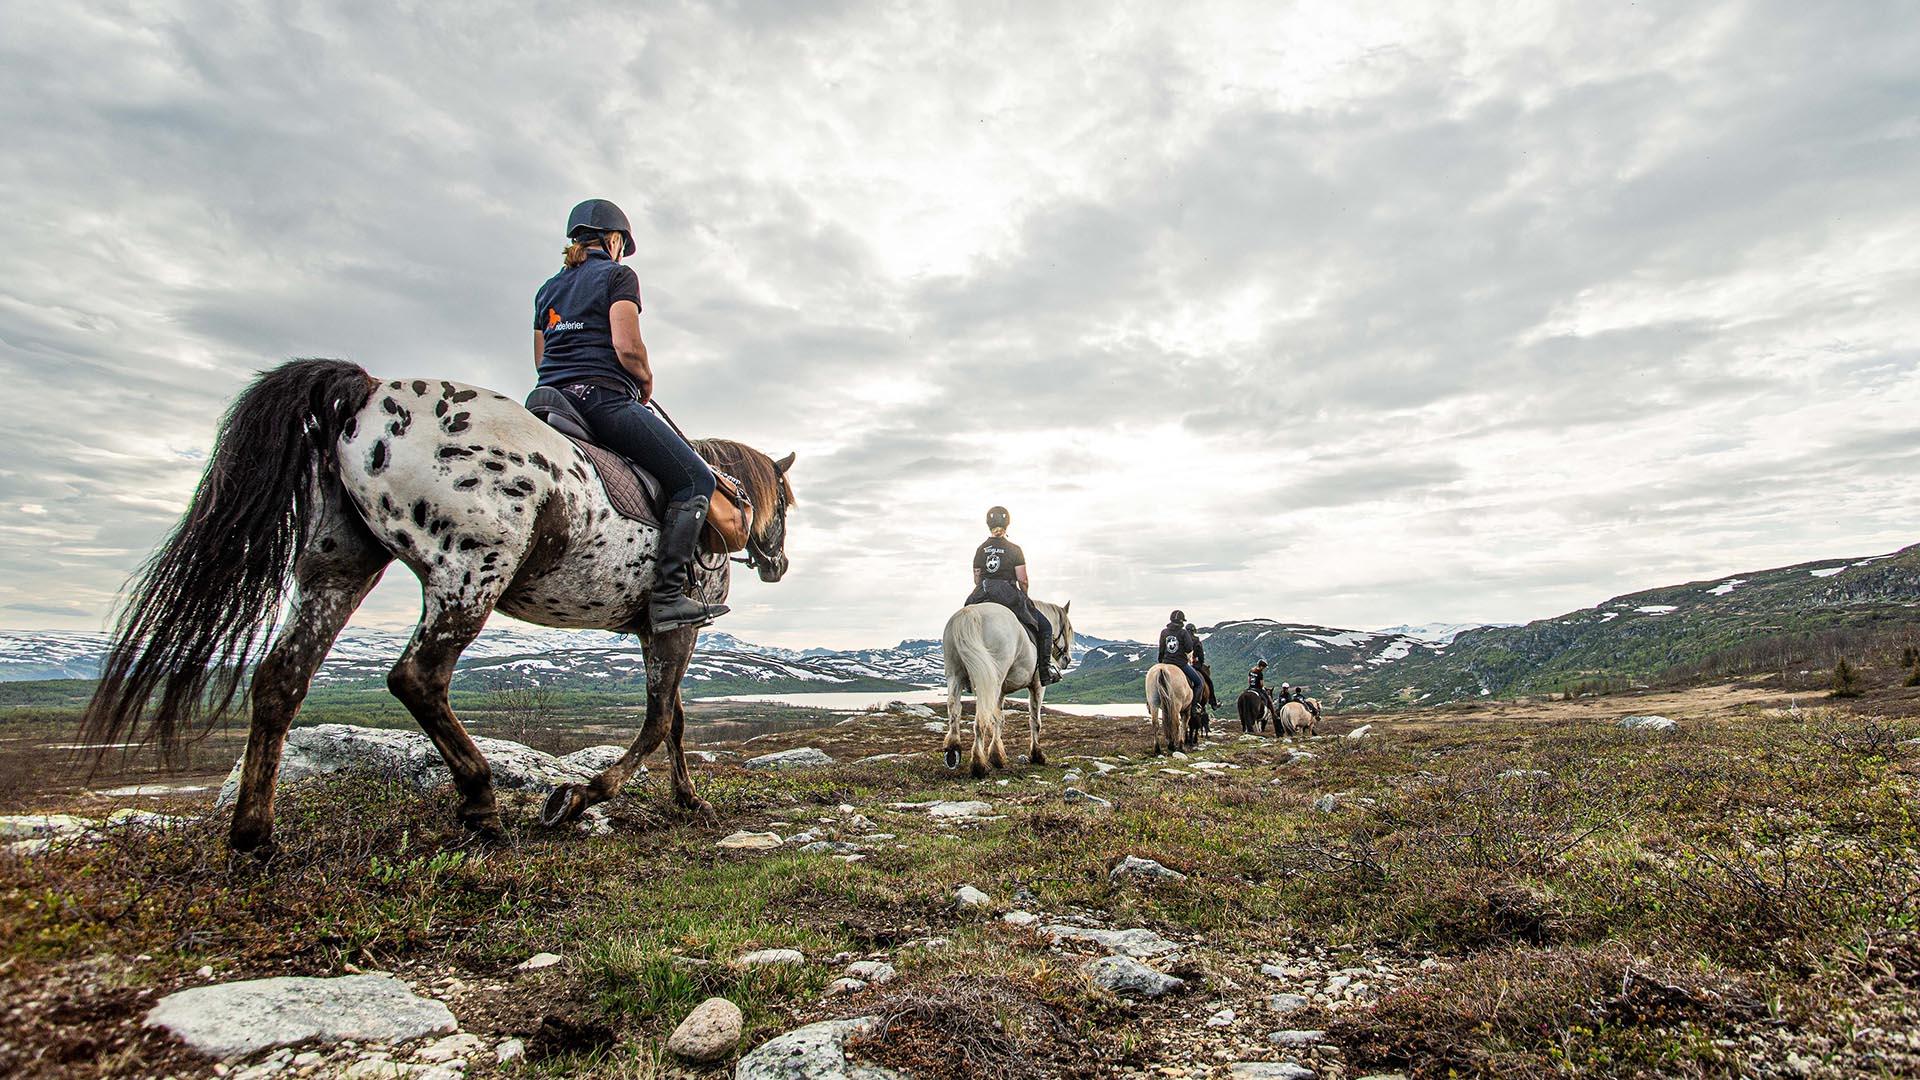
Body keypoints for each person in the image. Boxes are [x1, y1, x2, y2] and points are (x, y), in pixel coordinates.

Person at [533, 198, 724, 633]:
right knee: (697, 480)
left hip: (549, 400)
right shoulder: (620, 276)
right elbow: (627, 346)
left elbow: (541, 358)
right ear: (614, 240)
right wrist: (646, 378)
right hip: (601, 401)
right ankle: (668, 597)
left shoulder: (547, 290)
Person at [964, 506, 1059, 685]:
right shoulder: (1014, 549)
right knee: (1045, 626)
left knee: (965, 621)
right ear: (1007, 524)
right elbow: (1022, 579)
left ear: (988, 525)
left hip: (981, 593)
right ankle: (1045, 672)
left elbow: (977, 578)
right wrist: (1025, 597)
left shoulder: (980, 549)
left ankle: (967, 675)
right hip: (1007, 594)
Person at [1155, 610, 1205, 706]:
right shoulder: (1183, 632)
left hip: (1166, 662)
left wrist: (1161, 662)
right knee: (1199, 683)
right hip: (1180, 663)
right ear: (1181, 621)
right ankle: (1194, 707)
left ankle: (1150, 704)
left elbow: (1161, 649)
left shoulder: (1164, 632)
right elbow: (1189, 648)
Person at [1187, 621, 1217, 710]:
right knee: (1208, 683)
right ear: (1193, 631)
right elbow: (1201, 655)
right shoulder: (1196, 640)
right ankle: (1212, 703)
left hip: (1180, 663)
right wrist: (1200, 663)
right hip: (1193, 666)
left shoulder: (1181, 639)